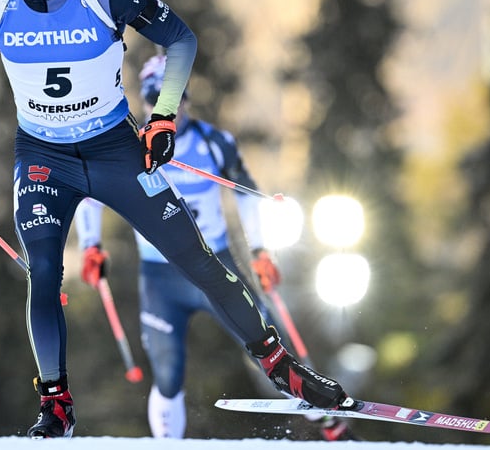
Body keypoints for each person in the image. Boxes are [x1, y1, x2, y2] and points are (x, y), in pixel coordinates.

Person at [0, 0, 353, 439]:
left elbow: (181, 39)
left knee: (194, 256)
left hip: (115, 151)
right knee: (44, 272)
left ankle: (280, 365)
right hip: (44, 159)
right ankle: (56, 405)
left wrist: (164, 117)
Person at [75, 55, 357, 441]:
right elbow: (90, 195)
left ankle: (329, 423)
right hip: (161, 277)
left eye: (171, 100)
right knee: (168, 374)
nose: (164, 110)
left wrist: (260, 251)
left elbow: (246, 194)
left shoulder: (214, 142)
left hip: (215, 266)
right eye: (154, 100)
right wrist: (91, 246)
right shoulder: (127, 146)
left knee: (269, 349)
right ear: (143, 102)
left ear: (186, 99)